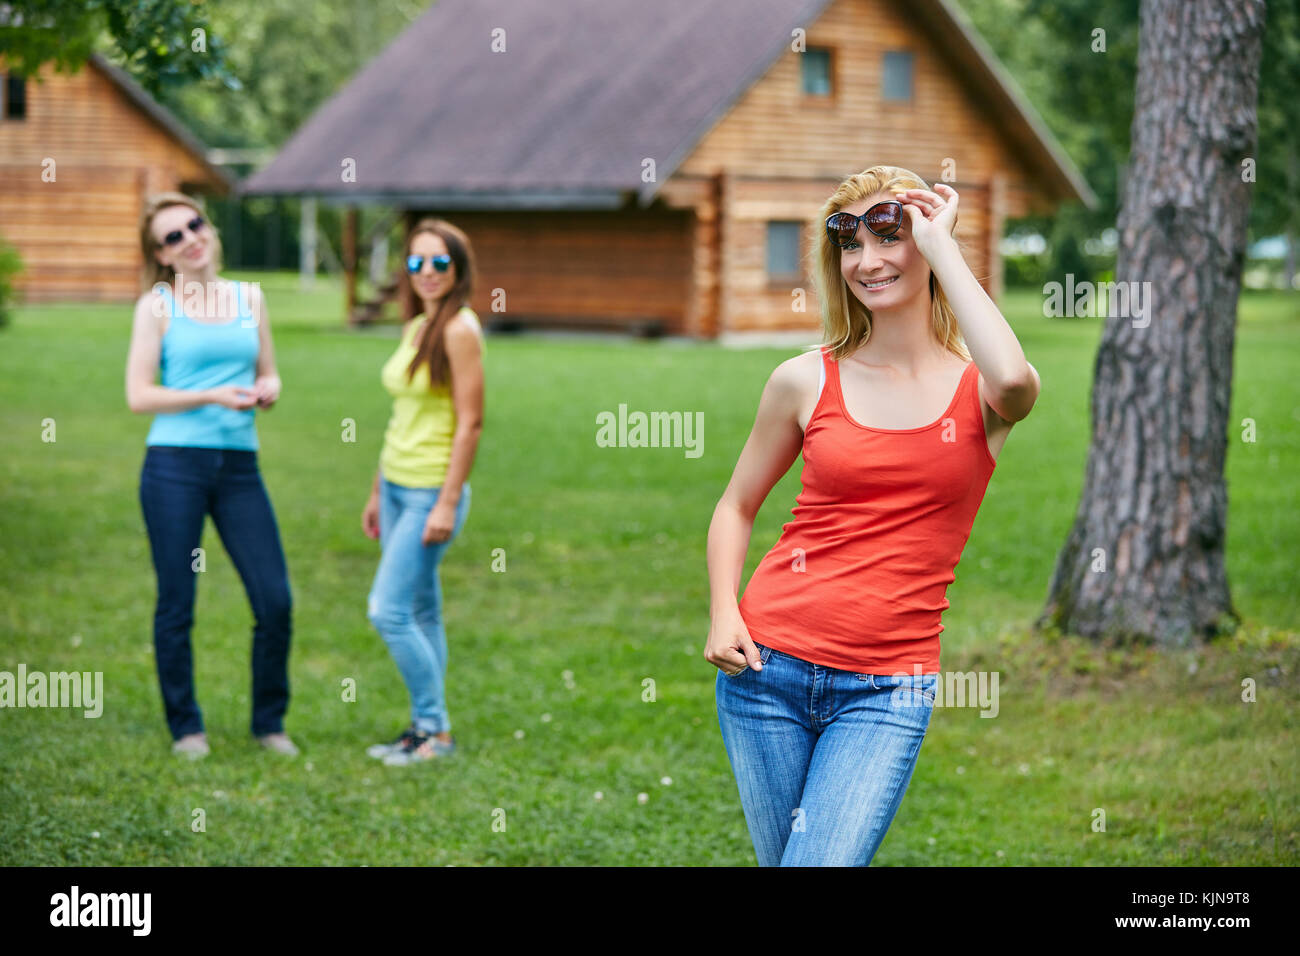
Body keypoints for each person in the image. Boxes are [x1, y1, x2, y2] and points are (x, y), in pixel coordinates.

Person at [705, 165, 1040, 865]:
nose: (868, 260)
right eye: (850, 245)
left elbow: (1015, 378)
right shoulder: (805, 378)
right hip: (767, 671)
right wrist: (723, 612)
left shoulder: (980, 394)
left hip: (886, 689)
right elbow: (736, 505)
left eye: (891, 235)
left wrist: (944, 245)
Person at [125, 192, 296, 758]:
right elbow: (138, 395)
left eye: (194, 225)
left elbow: (267, 372)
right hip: (174, 467)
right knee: (178, 601)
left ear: (209, 228)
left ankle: (269, 722)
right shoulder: (157, 306)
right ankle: (186, 726)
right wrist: (210, 395)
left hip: (240, 467)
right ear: (162, 255)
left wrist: (268, 390)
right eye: (173, 237)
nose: (190, 239)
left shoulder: (251, 297)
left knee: (274, 601)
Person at [362, 218, 484, 765]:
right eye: (416, 262)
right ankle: (425, 728)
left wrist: (447, 501)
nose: (427, 272)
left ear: (457, 268)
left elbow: (471, 422)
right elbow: (401, 416)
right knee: (421, 611)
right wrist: (375, 492)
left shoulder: (460, 329)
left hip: (430, 492)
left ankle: (434, 731)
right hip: (394, 484)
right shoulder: (417, 325)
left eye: (439, 262)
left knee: (387, 611)